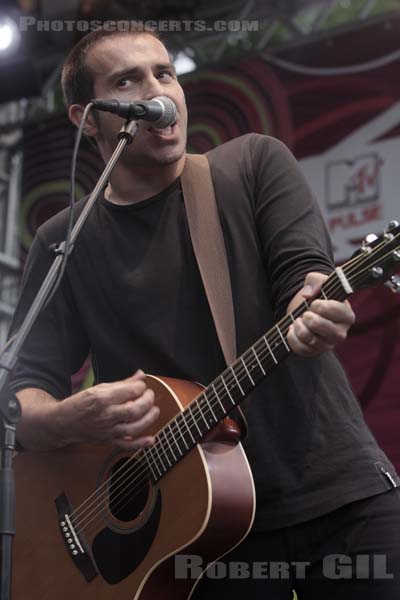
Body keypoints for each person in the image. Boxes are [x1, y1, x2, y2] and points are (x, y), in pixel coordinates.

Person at [8, 28, 400, 599]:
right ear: (87, 119)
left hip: (333, 496)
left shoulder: (251, 166)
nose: (159, 93)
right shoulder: (62, 242)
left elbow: (304, 277)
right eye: (128, 81)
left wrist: (315, 308)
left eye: (164, 74)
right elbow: (22, 394)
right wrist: (72, 418)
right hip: (193, 536)